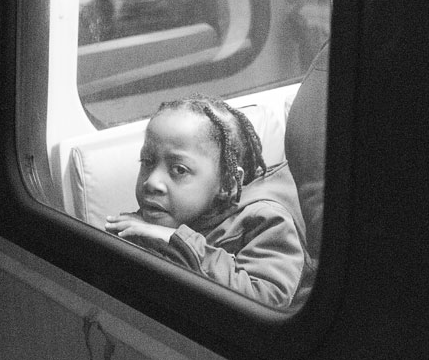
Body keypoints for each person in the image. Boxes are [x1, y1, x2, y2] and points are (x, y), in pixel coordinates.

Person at [105, 94, 307, 308]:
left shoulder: (265, 220)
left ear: (227, 184)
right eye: (147, 161)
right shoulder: (156, 218)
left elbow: (267, 298)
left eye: (179, 170)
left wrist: (178, 241)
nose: (152, 182)